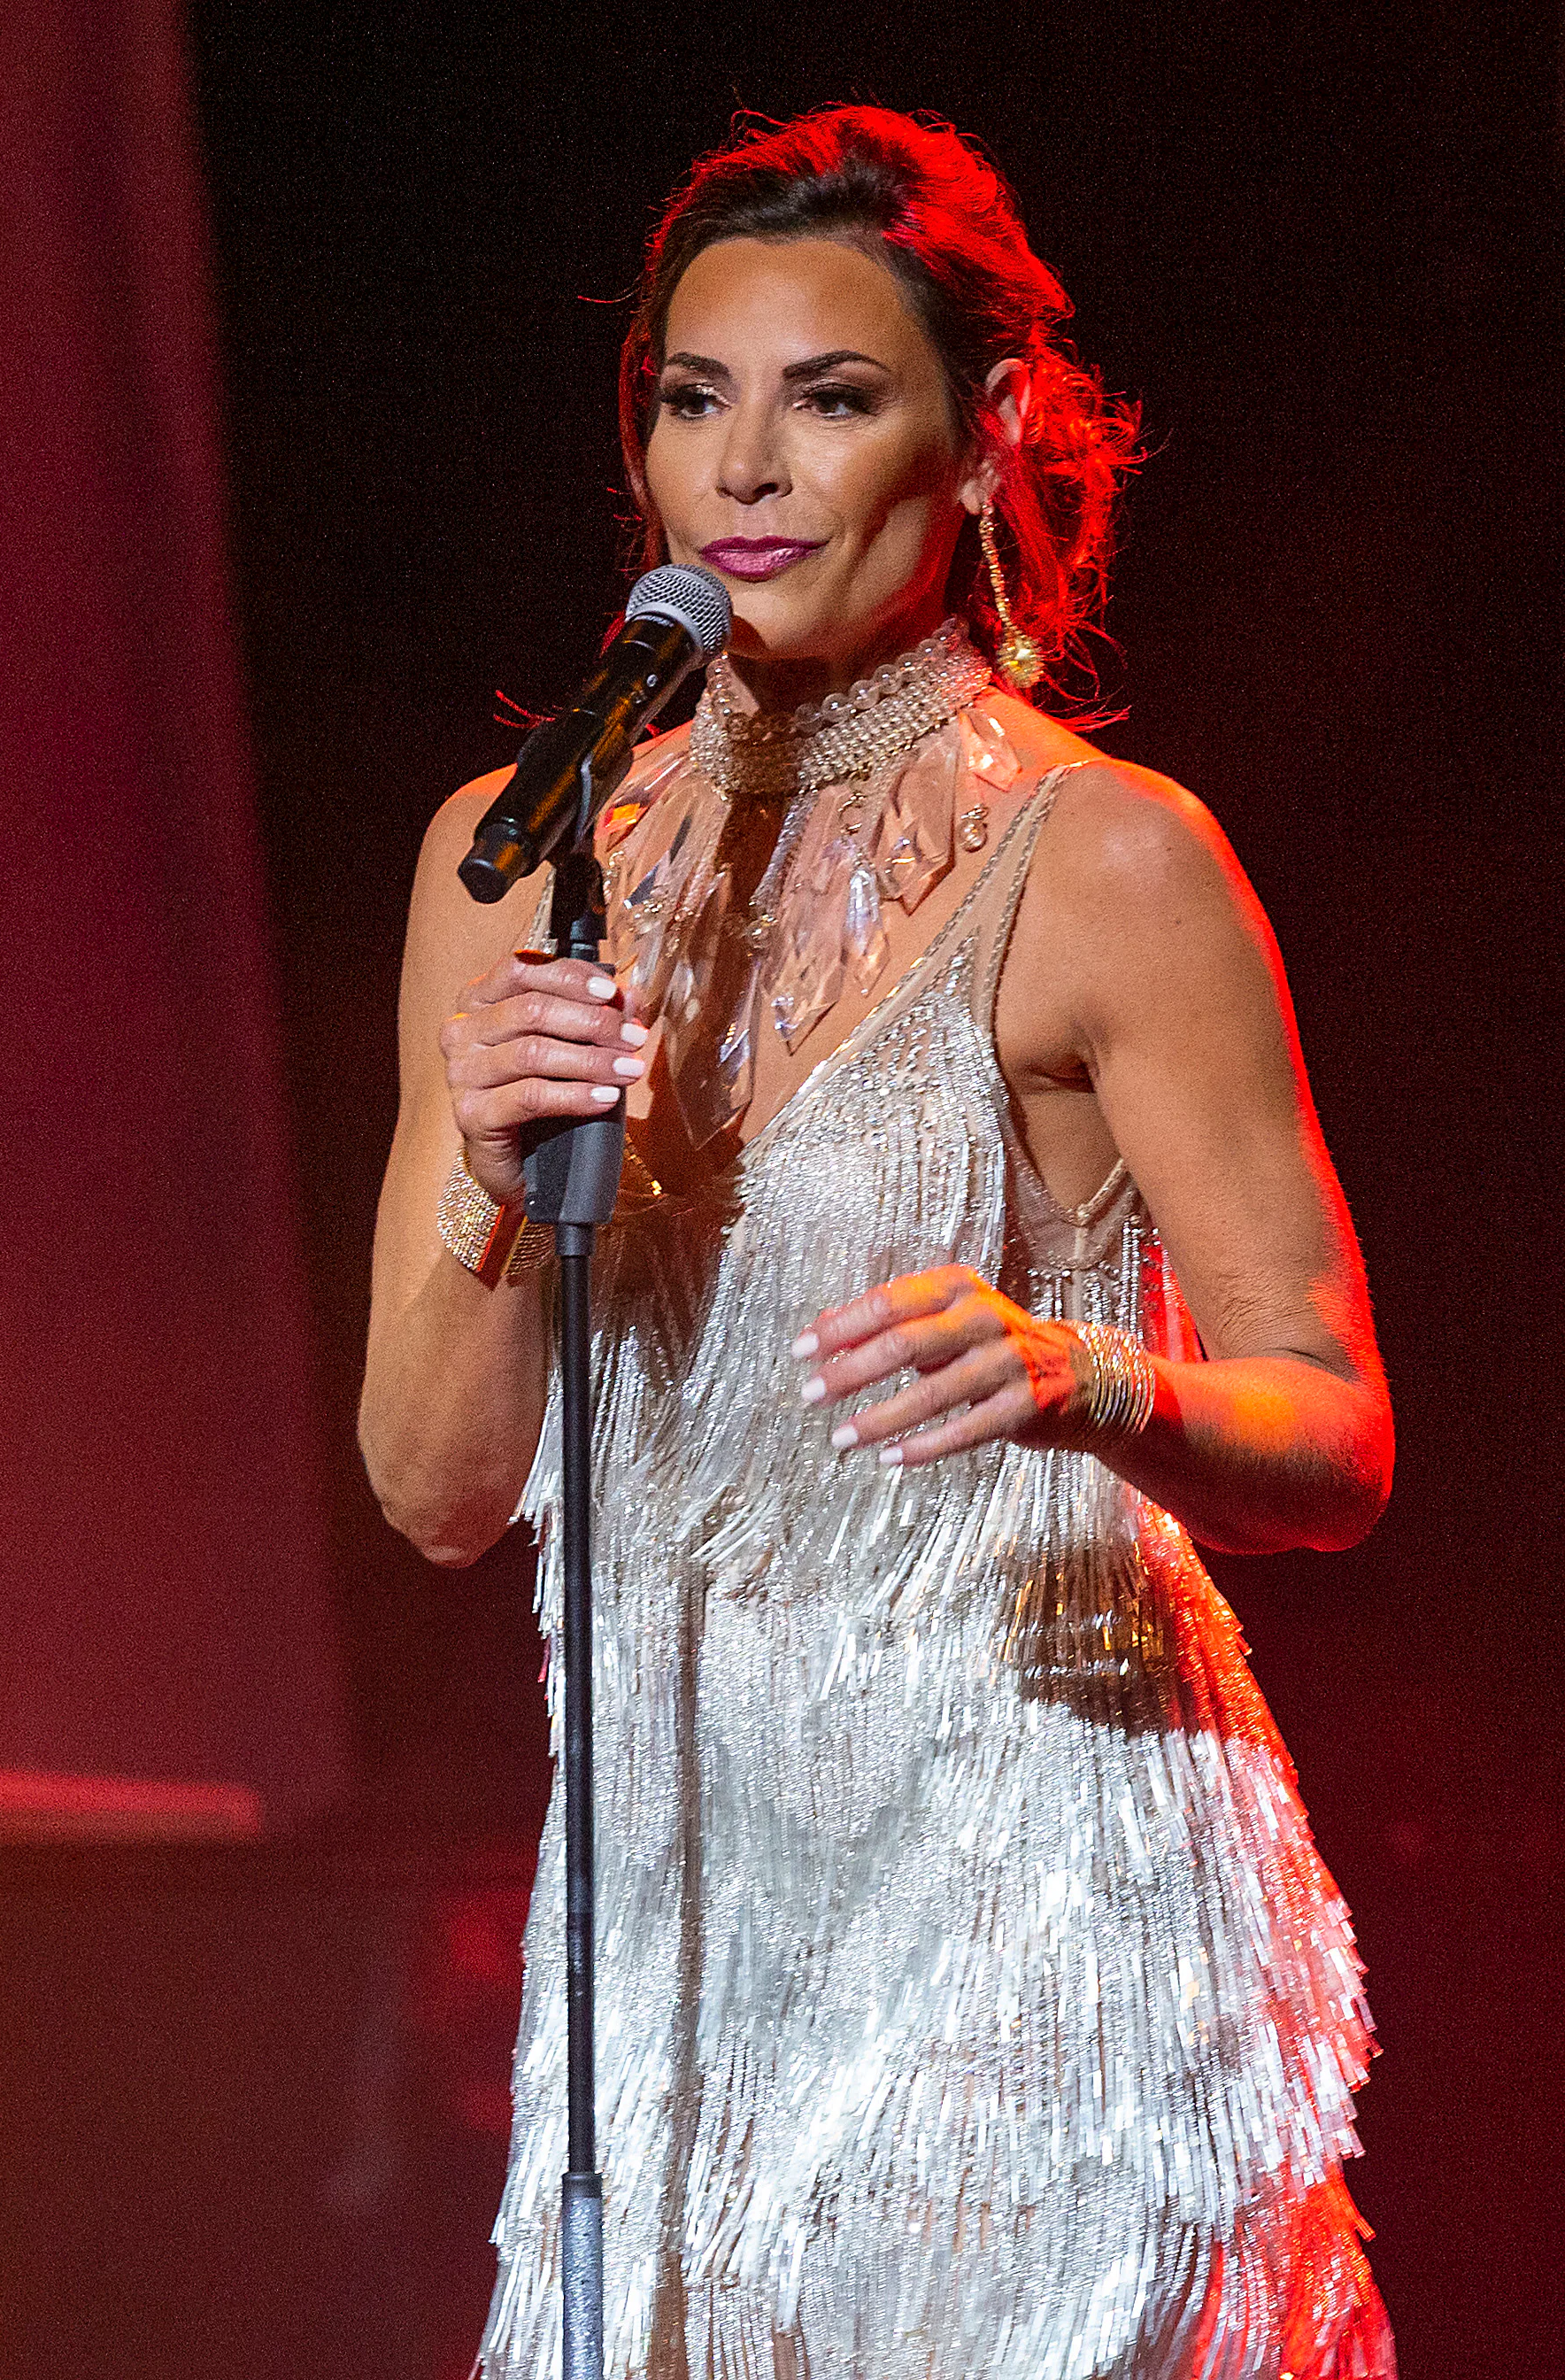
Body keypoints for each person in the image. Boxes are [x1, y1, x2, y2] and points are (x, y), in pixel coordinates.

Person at [359, 108, 1394, 2379]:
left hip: (1028, 1889)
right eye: (692, 397)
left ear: (983, 437)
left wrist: (1081, 1378)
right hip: (684, 1922)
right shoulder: (506, 860)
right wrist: (482, 1151)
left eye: (833, 399)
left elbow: (1335, 1426)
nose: (747, 465)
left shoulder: (1113, 864)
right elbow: (436, 1494)